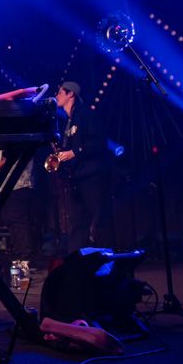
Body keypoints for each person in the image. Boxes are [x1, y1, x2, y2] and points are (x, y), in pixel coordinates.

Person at [52, 81, 115, 252]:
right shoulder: (67, 120)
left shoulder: (86, 113)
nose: (56, 96)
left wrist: (74, 152)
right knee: (77, 225)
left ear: (70, 94)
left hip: (93, 177)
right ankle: (76, 265)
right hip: (76, 180)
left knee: (100, 220)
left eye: (59, 92)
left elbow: (100, 141)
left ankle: (108, 263)